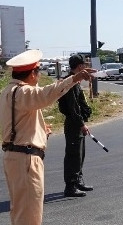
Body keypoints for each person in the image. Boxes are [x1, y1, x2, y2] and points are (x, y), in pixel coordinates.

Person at [0, 49, 95, 225]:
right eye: (38, 71)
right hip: (25, 159)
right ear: (32, 74)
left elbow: (19, 121)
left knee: (20, 210)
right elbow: (46, 94)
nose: (39, 76)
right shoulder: (23, 92)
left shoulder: (8, 91)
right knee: (29, 215)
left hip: (15, 156)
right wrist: (74, 78)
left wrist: (41, 132)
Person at [58, 54, 94, 197]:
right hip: (73, 123)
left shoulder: (75, 81)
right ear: (79, 66)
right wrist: (81, 124)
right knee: (73, 155)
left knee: (80, 154)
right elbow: (73, 107)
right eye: (84, 65)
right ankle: (70, 186)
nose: (85, 67)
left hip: (77, 123)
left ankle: (78, 181)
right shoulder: (70, 83)